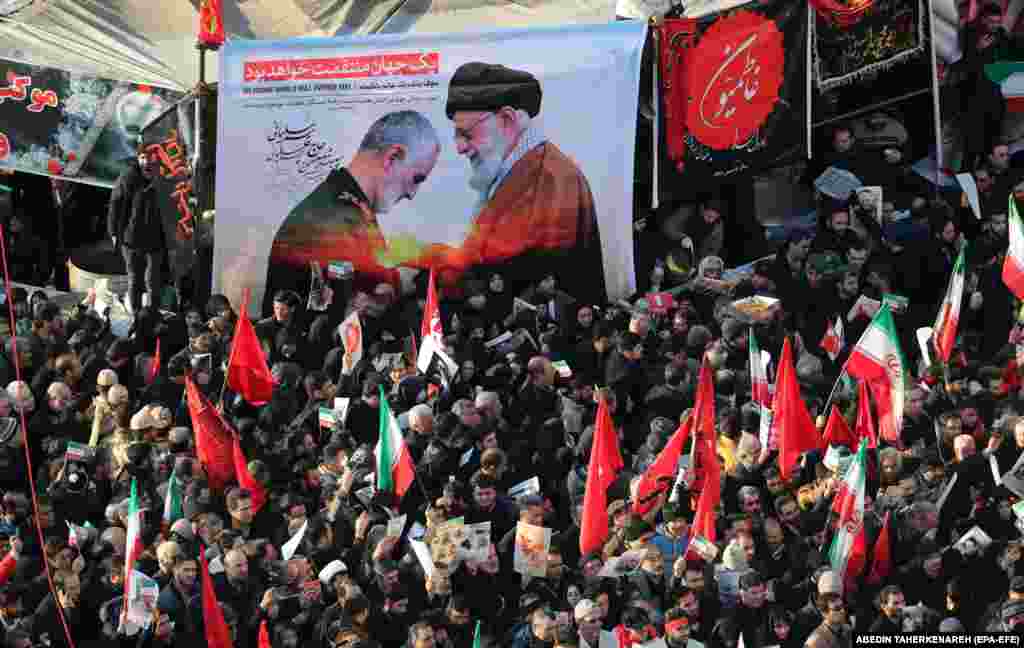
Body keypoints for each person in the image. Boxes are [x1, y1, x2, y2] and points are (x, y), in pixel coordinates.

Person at [427, 61, 606, 304]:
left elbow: (535, 273)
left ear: (508, 120)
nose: (459, 148)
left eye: (467, 134)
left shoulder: (553, 179)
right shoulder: (514, 169)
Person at [262, 110, 441, 314]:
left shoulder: (349, 206)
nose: (412, 193)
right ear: (393, 157)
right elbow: (352, 296)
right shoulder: (330, 217)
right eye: (417, 179)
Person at [108, 144, 164, 314]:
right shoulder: (128, 178)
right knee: (134, 279)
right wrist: (113, 232)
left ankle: (152, 313)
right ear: (138, 159)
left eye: (150, 158)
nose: (147, 162)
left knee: (153, 280)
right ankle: (136, 314)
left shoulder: (164, 177)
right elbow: (115, 206)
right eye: (143, 158)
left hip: (156, 240)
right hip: (131, 240)